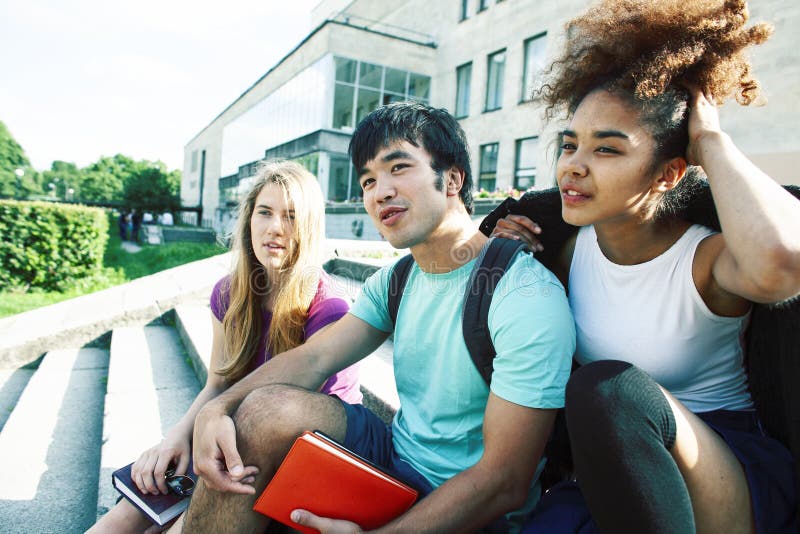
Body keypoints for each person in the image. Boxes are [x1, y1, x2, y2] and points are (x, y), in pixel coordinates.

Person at [174, 102, 575, 533]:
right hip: (393, 457)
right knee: (261, 409)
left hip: (468, 505)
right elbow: (313, 359)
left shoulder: (523, 294)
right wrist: (217, 407)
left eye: (398, 167)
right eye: (368, 180)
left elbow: (504, 483)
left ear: (453, 179)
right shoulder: (398, 279)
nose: (379, 191)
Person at [489, 1, 800, 532]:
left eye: (607, 150)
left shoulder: (704, 261)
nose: (574, 165)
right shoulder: (561, 252)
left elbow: (782, 265)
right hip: (608, 471)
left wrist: (710, 141)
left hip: (720, 466)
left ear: (668, 174)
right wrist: (506, 252)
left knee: (608, 390)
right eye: (570, 144)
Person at [88, 160, 362, 533]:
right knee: (128, 512)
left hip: (297, 454)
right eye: (265, 212)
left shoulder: (328, 307)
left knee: (178, 525)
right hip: (231, 431)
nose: (275, 228)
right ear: (249, 219)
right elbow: (217, 384)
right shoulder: (229, 293)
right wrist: (177, 437)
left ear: (310, 228)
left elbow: (287, 429)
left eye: (292, 216)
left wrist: (206, 457)